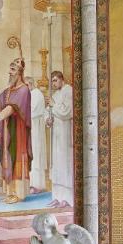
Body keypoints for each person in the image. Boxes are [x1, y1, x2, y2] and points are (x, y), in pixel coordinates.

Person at [0, 57, 32, 204]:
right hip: (6, 131)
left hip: (18, 133)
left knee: (16, 159)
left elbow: (12, 107)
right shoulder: (7, 91)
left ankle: (18, 193)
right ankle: (10, 193)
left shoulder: (24, 90)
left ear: (20, 72)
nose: (9, 72)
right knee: (7, 159)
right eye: (9, 69)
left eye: (13, 69)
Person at [47, 71, 73, 207]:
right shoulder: (55, 94)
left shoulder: (69, 91)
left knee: (65, 164)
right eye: (52, 81)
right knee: (56, 164)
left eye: (55, 80)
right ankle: (57, 196)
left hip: (65, 132)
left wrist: (53, 105)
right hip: (56, 133)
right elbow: (48, 111)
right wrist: (48, 119)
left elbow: (67, 112)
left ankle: (67, 198)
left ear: (62, 79)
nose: (53, 83)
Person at [28, 77, 47, 192]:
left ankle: (37, 185)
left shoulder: (36, 94)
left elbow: (32, 111)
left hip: (35, 128)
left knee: (35, 156)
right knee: (32, 156)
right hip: (31, 127)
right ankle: (31, 184)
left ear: (30, 84)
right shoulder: (32, 94)